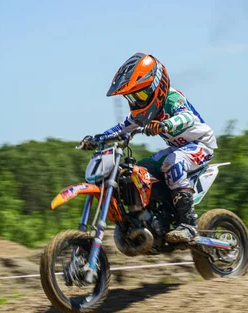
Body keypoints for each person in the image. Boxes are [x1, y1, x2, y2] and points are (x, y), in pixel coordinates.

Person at [80, 52, 217, 243]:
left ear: (157, 87)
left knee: (172, 163)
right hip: (178, 149)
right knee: (141, 170)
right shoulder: (142, 112)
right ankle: (157, 217)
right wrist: (97, 138)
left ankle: (189, 225)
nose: (136, 101)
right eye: (132, 97)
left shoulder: (171, 98)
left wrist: (166, 125)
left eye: (141, 94)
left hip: (200, 144)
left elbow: (186, 117)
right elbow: (122, 128)